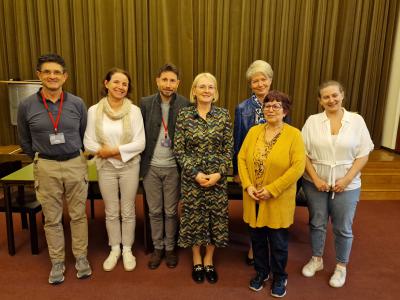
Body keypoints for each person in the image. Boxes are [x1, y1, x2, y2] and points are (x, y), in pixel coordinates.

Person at [17, 53, 91, 284]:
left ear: (65, 76)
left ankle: (81, 257)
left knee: (78, 215)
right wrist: (41, 158)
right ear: (39, 75)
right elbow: (24, 140)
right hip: (46, 166)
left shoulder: (77, 103)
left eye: (57, 72)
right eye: (47, 72)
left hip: (74, 164)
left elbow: (83, 133)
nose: (52, 76)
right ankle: (57, 261)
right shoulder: (26, 106)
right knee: (52, 218)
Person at [301, 80, 374, 288]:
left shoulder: (357, 121)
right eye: (326, 97)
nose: (331, 100)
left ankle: (341, 266)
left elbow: (363, 154)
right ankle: (317, 259)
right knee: (317, 222)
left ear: (342, 95)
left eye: (335, 95)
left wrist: (346, 179)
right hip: (314, 183)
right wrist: (315, 178)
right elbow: (303, 154)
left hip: (347, 184)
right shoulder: (312, 121)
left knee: (343, 227)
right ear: (320, 101)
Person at [238, 90, 305, 297]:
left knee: (278, 243)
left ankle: (279, 276)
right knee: (257, 240)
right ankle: (261, 272)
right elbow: (241, 158)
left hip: (277, 199)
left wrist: (272, 189)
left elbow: (297, 167)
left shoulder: (294, 134)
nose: (271, 109)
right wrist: (248, 185)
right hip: (253, 197)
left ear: (285, 111)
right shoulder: (254, 131)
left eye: (277, 106)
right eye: (267, 105)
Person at [174, 72, 233, 284]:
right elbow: (179, 150)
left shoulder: (224, 116)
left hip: (217, 179)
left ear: (215, 92)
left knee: (215, 220)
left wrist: (219, 174)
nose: (206, 90)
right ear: (194, 91)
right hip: (193, 179)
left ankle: (209, 259)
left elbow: (229, 149)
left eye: (210, 87)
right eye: (202, 87)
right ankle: (196, 258)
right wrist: (196, 174)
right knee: (193, 219)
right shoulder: (184, 115)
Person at [84, 68, 145, 272]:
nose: (120, 87)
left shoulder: (134, 110)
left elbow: (141, 143)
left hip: (130, 167)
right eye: (116, 82)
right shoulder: (94, 110)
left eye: (125, 84)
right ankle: (114, 249)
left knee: (128, 210)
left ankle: (127, 249)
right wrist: (111, 154)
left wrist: (112, 151)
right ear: (106, 83)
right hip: (106, 168)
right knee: (111, 211)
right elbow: (88, 142)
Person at [140, 63, 189, 269]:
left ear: (178, 83)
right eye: (164, 80)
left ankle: (170, 248)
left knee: (170, 211)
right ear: (157, 81)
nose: (168, 84)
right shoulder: (145, 103)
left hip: (173, 168)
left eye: (172, 80)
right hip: (151, 166)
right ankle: (157, 248)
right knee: (154, 211)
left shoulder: (186, 105)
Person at [233, 60, 274, 265]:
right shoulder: (242, 108)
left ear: (270, 80)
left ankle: (268, 243)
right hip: (250, 167)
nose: (259, 84)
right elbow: (238, 139)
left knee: (270, 203)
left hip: (274, 167)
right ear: (250, 84)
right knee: (253, 206)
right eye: (255, 81)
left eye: (263, 79)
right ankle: (253, 245)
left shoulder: (279, 103)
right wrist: (237, 171)